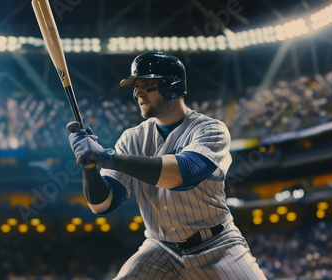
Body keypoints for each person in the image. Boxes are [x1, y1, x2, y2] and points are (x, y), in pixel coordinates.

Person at [67, 52, 266, 279]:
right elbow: (102, 205)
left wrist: (108, 158)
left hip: (217, 246)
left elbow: (182, 174)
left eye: (147, 84)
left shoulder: (210, 129)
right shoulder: (131, 138)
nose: (138, 93)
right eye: (136, 86)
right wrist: (90, 167)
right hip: (160, 248)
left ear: (173, 86)